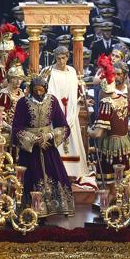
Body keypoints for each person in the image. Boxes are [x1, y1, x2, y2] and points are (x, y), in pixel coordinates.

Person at [11, 77, 75, 217]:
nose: (39, 93)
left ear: (46, 89)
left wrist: (50, 136)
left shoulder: (52, 101)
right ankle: (30, 208)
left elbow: (64, 126)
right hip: (30, 151)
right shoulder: (23, 103)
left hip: (48, 146)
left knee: (55, 175)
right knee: (30, 178)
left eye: (42, 90)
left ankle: (58, 206)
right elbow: (16, 129)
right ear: (31, 90)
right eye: (36, 90)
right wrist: (33, 139)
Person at [40, 46, 90, 180]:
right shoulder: (48, 72)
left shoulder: (72, 71)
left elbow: (76, 91)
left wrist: (80, 100)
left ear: (68, 57)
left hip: (71, 111)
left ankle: (73, 172)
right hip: (54, 112)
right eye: (58, 58)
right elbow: (41, 91)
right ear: (54, 58)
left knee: (72, 141)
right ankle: (56, 171)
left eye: (64, 58)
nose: (61, 61)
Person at [88, 55, 130, 195]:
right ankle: (127, 207)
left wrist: (88, 130)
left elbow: (99, 133)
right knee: (125, 179)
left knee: (107, 181)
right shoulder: (124, 99)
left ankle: (108, 208)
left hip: (110, 146)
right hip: (125, 145)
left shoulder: (106, 103)